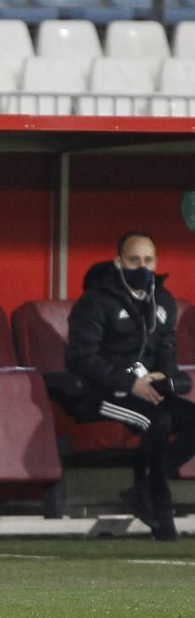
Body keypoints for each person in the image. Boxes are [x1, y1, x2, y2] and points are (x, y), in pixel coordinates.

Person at [65, 231, 194, 542]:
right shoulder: (95, 301)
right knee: (157, 420)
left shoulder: (162, 301)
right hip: (100, 395)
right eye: (134, 260)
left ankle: (143, 492)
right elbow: (82, 358)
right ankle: (162, 513)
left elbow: (166, 351)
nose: (142, 267)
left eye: (148, 260)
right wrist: (129, 383)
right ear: (119, 262)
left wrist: (166, 379)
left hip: (145, 391)